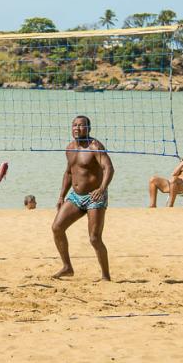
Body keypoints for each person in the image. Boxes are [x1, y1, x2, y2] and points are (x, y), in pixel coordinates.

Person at [51, 116, 114, 281]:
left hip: (95, 196)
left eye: (81, 125)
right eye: (74, 125)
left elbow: (108, 167)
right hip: (75, 196)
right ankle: (67, 267)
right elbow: (69, 173)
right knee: (57, 228)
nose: (77, 128)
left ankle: (105, 276)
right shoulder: (70, 148)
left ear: (88, 128)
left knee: (94, 238)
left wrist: (102, 188)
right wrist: (61, 196)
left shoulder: (95, 146)